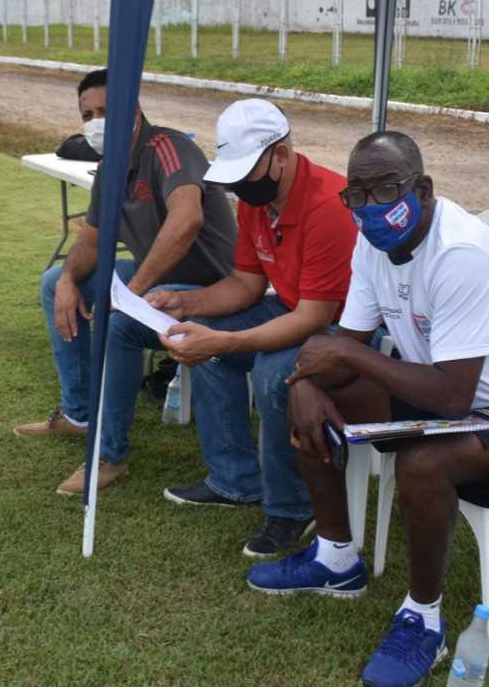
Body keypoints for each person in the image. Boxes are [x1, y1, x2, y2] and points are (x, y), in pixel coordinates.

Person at [246, 131, 489, 687]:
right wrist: (307, 383)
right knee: (313, 401)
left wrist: (343, 356)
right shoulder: (372, 244)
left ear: (423, 190)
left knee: (423, 463)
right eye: (357, 194)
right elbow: (349, 344)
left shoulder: (462, 253)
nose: (370, 207)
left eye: (387, 190)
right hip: (450, 392)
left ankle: (423, 619)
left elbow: (450, 395)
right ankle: (336, 559)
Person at [14, 69, 237, 496]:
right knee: (54, 281)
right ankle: (80, 415)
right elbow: (91, 240)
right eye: (88, 115)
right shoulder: (109, 168)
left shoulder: (169, 147)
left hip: (209, 287)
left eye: (105, 110)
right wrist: (68, 281)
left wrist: (131, 295)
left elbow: (187, 220)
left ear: (132, 111)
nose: (96, 121)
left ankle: (109, 454)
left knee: (121, 325)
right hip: (155, 280)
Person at [151, 99, 357, 558]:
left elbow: (314, 318)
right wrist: (185, 304)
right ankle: (235, 480)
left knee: (271, 371)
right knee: (200, 334)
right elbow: (246, 284)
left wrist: (226, 341)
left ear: (280, 155)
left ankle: (292, 507)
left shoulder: (328, 205)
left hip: (346, 329)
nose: (241, 188)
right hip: (295, 308)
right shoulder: (257, 202)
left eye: (246, 174)